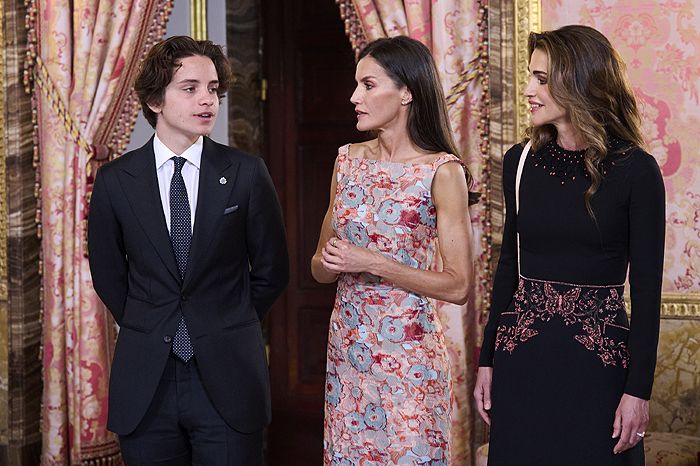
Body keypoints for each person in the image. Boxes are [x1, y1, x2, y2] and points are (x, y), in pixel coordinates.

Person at [88, 36, 289, 466]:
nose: (208, 100)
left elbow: (272, 269)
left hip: (229, 376)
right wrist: (150, 318)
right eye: (191, 88)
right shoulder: (115, 181)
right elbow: (108, 274)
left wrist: (225, 319)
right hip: (147, 378)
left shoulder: (247, 173)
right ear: (155, 100)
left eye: (214, 88)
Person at [474, 25, 665, 465]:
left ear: (578, 81)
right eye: (529, 76)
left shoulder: (637, 171)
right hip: (522, 361)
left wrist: (638, 390)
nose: (528, 89)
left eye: (541, 79)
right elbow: (508, 265)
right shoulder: (519, 162)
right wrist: (487, 360)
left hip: (598, 369)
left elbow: (648, 291)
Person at [311, 36, 477, 465]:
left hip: (409, 358)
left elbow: (458, 286)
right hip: (348, 354)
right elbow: (318, 267)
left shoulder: (441, 171)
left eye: (367, 85)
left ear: (406, 92)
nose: (354, 97)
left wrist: (371, 262)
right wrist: (331, 263)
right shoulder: (346, 160)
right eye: (356, 85)